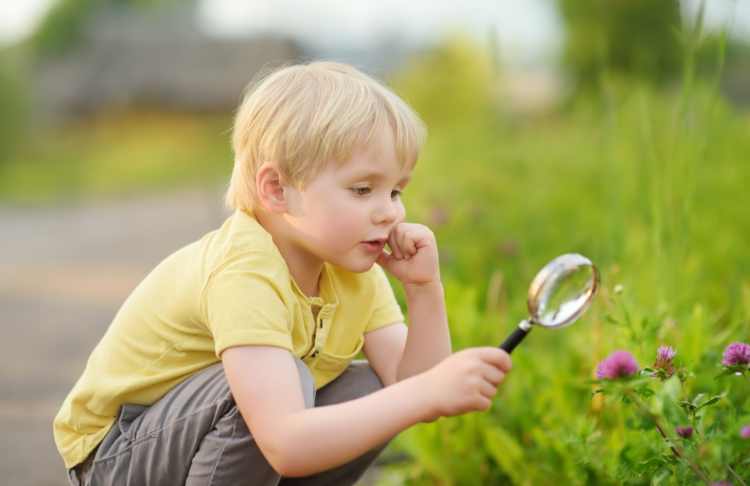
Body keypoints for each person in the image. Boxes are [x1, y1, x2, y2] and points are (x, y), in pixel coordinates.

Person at [53, 61, 512, 486]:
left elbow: (413, 390)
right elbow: (286, 442)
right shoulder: (245, 270)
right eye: (362, 189)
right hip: (116, 454)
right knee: (279, 386)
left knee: (371, 389)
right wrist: (424, 393)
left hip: (195, 442)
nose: (388, 212)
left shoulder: (354, 269)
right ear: (277, 190)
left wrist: (423, 288)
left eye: (395, 190)